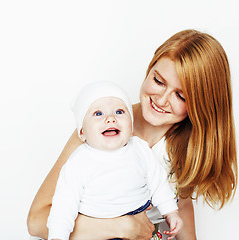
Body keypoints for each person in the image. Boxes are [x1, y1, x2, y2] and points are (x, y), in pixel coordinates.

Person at [27, 29, 238, 240]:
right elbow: (37, 221)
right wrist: (120, 227)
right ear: (149, 70)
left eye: (180, 96)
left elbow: (181, 203)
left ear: (201, 106)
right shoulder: (98, 130)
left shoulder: (187, 142)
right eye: (158, 81)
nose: (162, 100)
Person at [47, 81, 182, 240]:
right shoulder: (78, 162)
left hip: (139, 224)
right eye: (98, 114)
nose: (110, 118)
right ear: (82, 133)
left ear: (130, 126)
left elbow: (158, 183)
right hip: (99, 228)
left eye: (119, 111)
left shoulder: (140, 149)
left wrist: (171, 212)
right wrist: (57, 236)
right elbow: (64, 205)